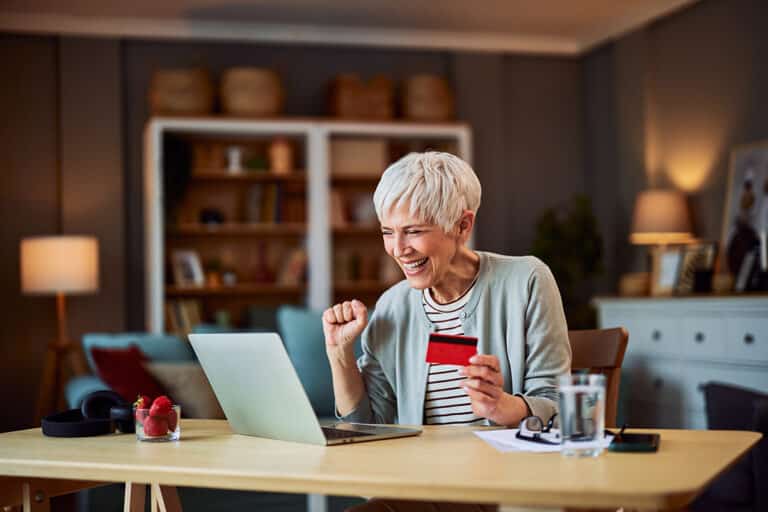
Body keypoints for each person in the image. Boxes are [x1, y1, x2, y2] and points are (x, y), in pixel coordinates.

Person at [322, 151, 571, 510]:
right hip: (423, 487)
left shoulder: (527, 281)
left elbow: (560, 404)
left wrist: (504, 407)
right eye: (388, 232)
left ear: (462, 225)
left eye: (414, 231)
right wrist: (339, 354)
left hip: (508, 487)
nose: (398, 249)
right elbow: (365, 430)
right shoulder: (393, 306)